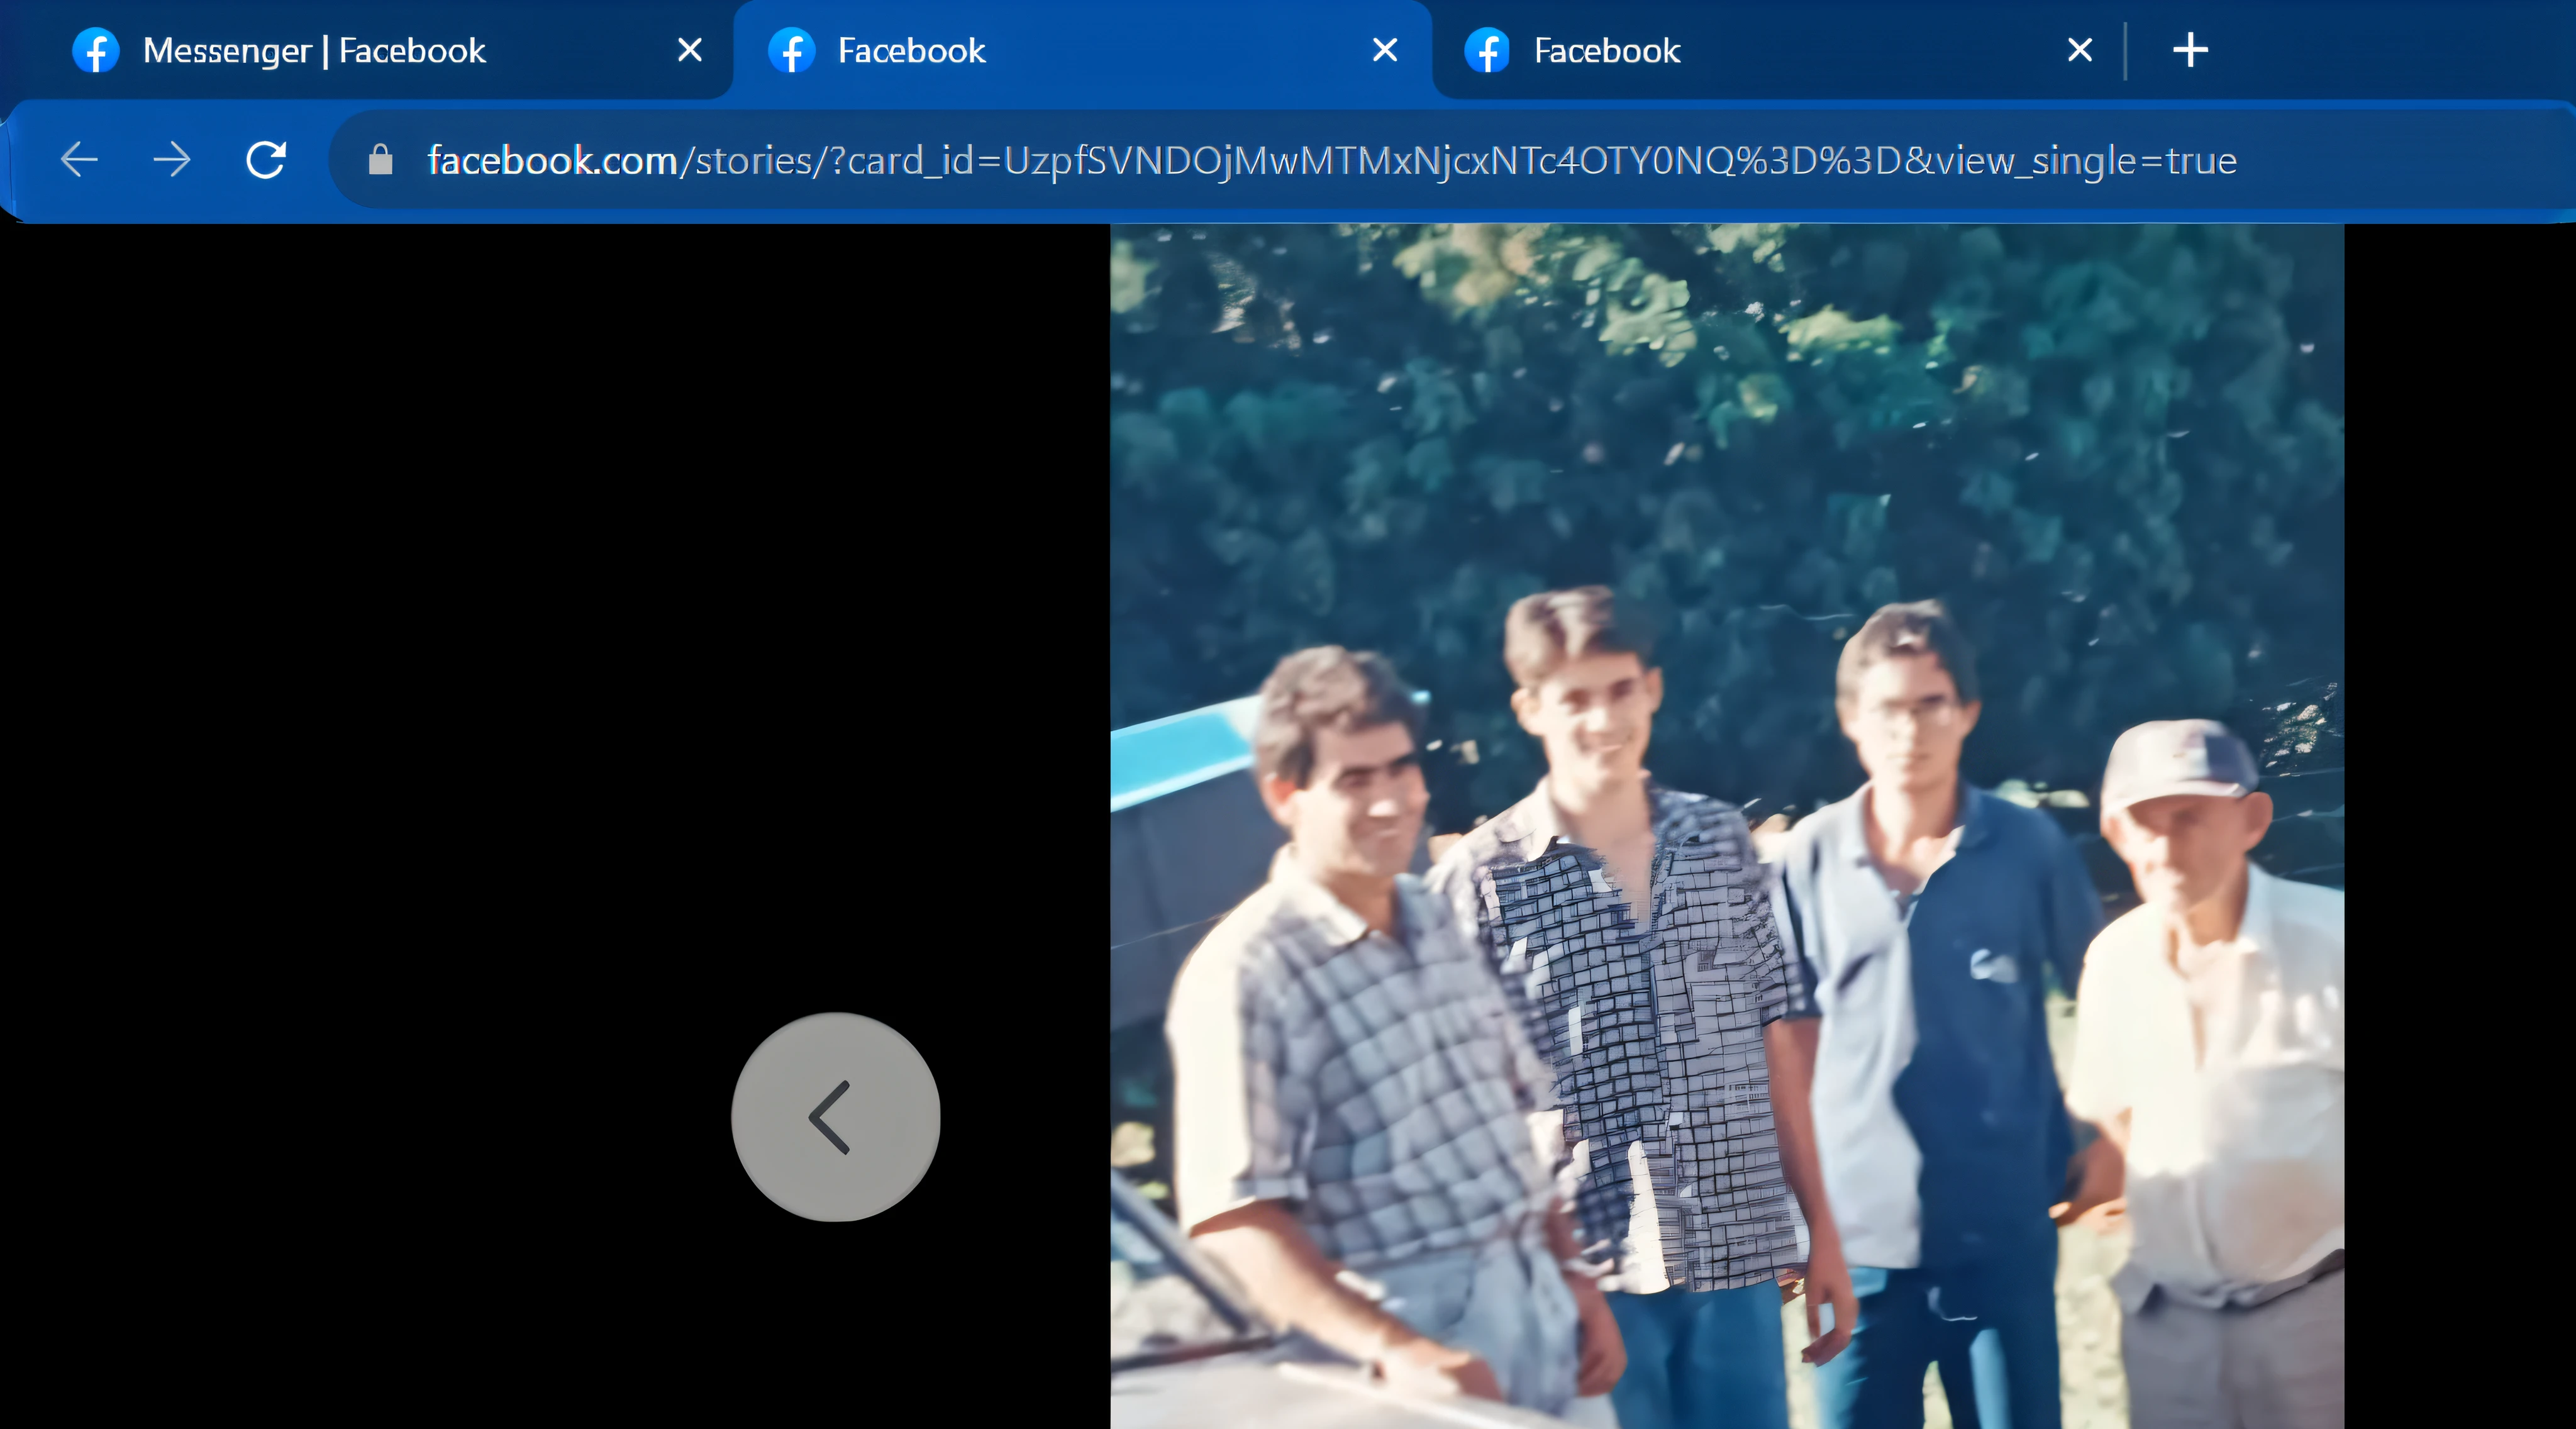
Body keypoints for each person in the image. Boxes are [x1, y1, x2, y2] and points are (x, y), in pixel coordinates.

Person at [1430, 587, 1856, 1429]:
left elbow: (1774, 1039)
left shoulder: (1721, 844)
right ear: (1530, 708)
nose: (1603, 721)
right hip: (1586, 1274)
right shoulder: (1482, 882)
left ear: (1653, 688)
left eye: (1621, 690)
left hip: (1734, 1251)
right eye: (1575, 699)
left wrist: (1823, 1230)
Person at [1165, 645, 1626, 1417]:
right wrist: (1397, 1350)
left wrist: (1571, 1274)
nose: (1389, 802)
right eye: (1353, 779)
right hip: (1399, 1363)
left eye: (1399, 769)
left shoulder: (1434, 915)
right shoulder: (1246, 975)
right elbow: (1233, 1223)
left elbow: (1509, 1124)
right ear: (1286, 795)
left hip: (1540, 1316)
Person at [1769, 601, 2102, 1429]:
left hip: (2003, 1230)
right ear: (1851, 720)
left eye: (1931, 705)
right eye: (1887, 708)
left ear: (1969, 715)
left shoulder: (2028, 850)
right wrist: (1799, 1214)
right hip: (1858, 1242)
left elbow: (2106, 995)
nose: (1909, 731)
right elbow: (1783, 1048)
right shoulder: (1807, 857)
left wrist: (2103, 1132)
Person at [2062, 720, 2344, 1429]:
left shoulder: (2331, 943)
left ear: (2251, 819)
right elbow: (2108, 1136)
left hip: (2315, 1314)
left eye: (2189, 816)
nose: (2163, 845)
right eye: (2141, 823)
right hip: (2170, 1328)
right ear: (2116, 836)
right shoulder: (2113, 963)